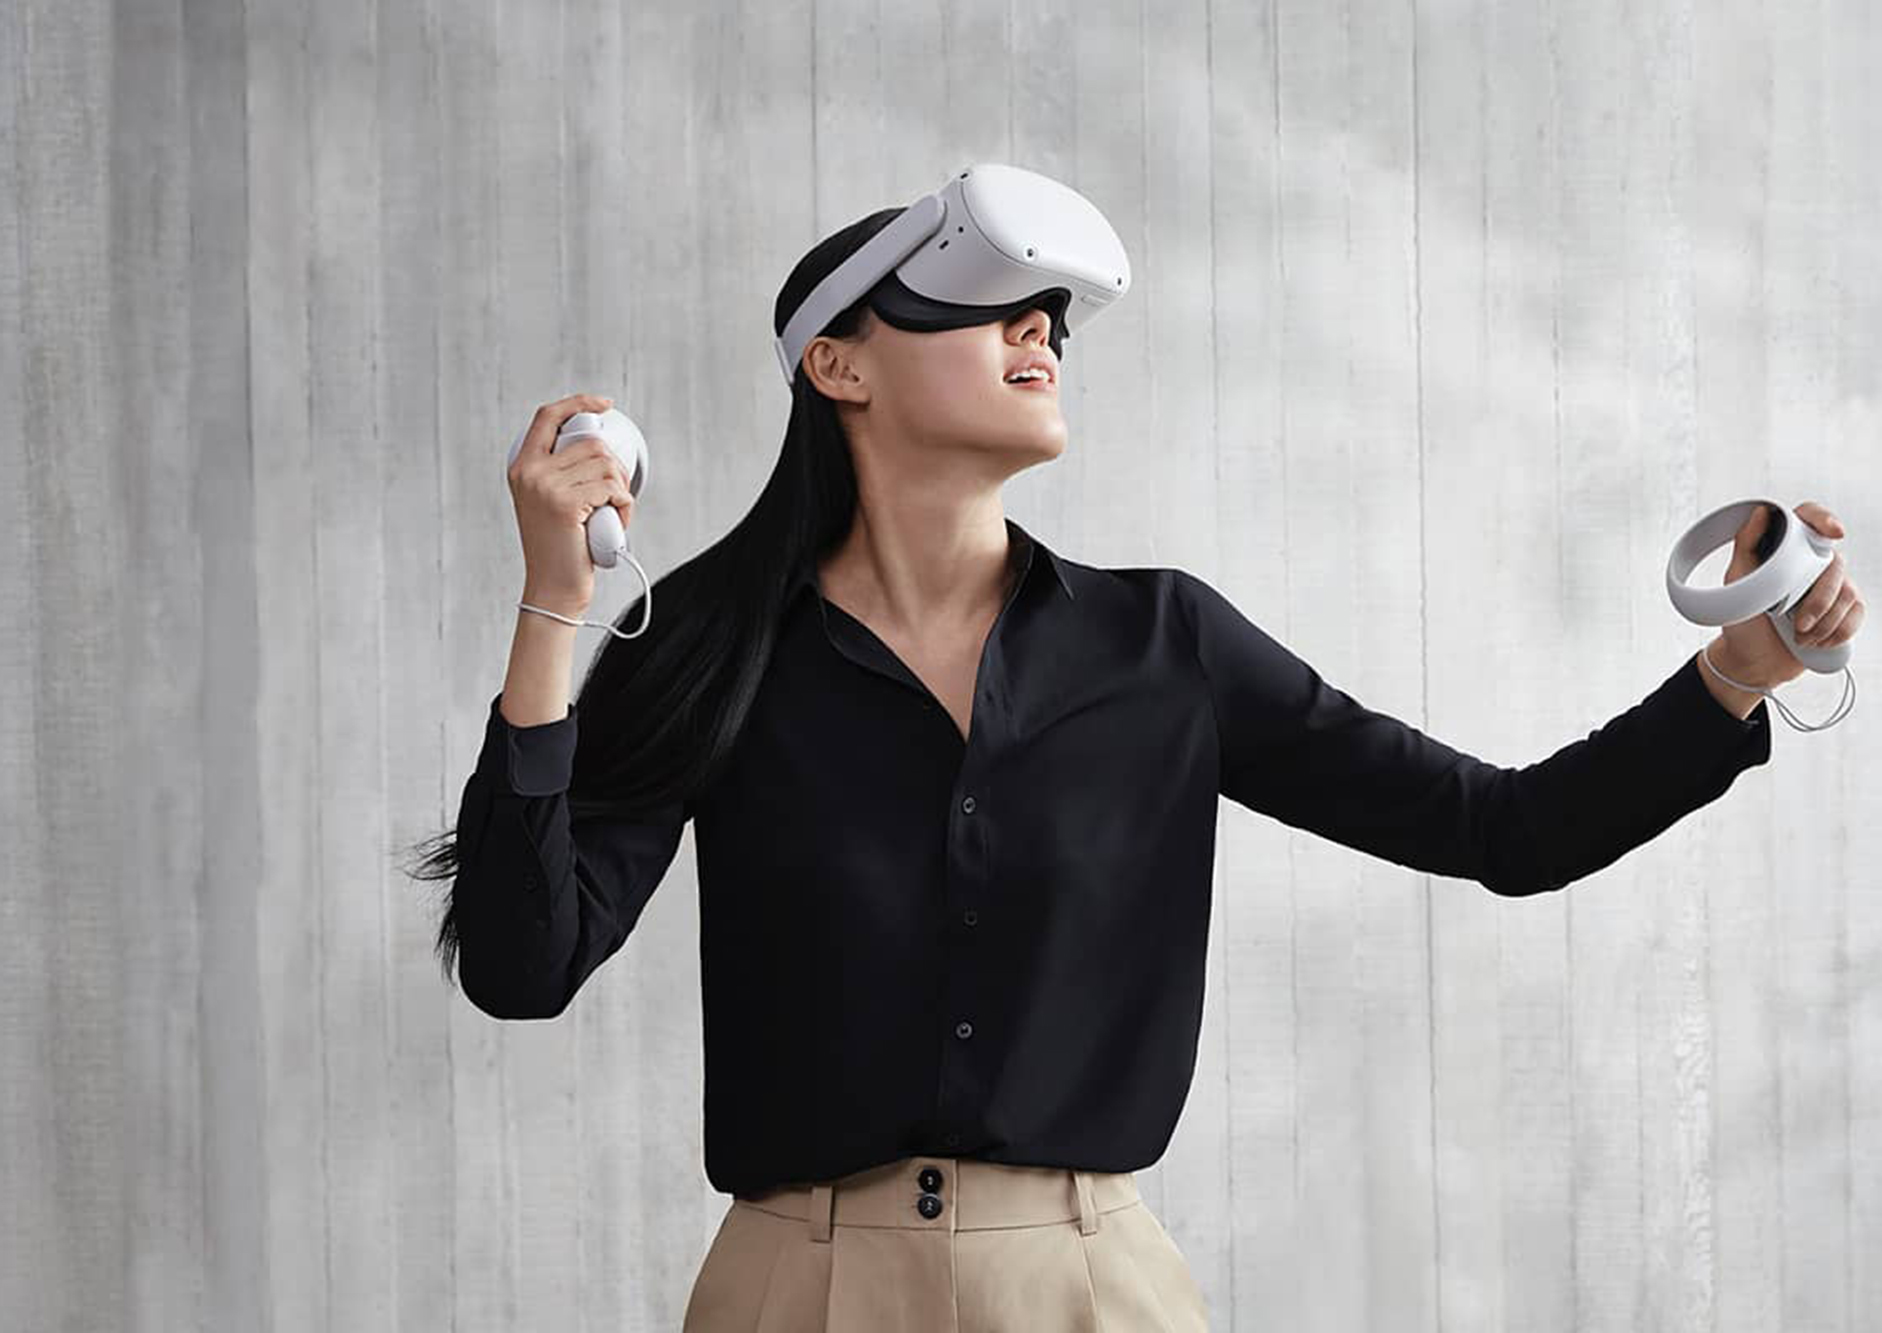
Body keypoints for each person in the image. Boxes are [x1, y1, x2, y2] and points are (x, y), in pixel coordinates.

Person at [404, 205, 1787, 1331]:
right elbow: (527, 970)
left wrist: (1732, 676)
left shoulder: (1165, 644)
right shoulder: (707, 645)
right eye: (983, 303)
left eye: (1050, 315)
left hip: (1083, 1286)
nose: (1039, 331)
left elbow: (1506, 828)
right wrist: (553, 610)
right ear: (840, 364)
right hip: (797, 1286)